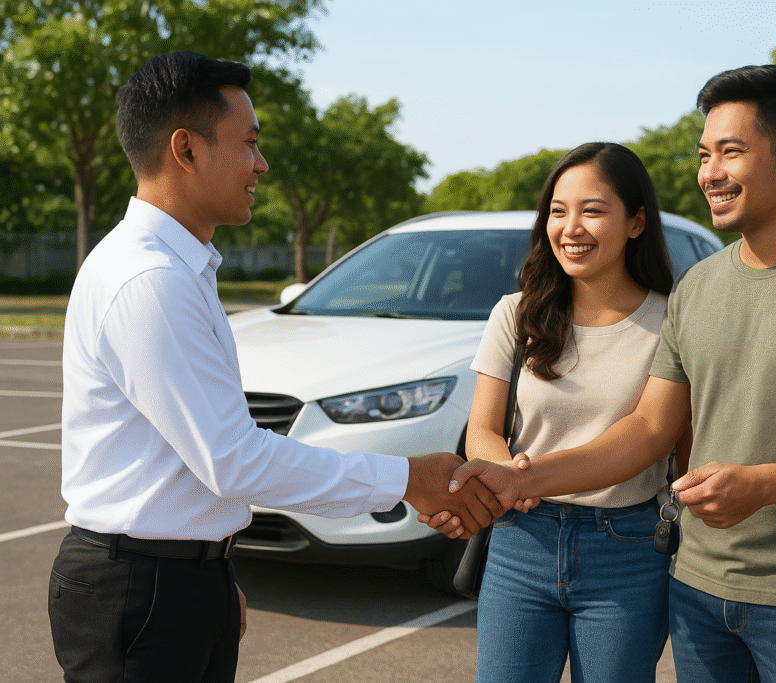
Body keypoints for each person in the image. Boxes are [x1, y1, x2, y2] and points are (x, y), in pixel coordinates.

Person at [443, 65, 776, 683]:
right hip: (697, 587)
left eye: (731, 151)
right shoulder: (698, 288)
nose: (710, 172)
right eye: (704, 154)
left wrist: (763, 484)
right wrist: (520, 478)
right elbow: (650, 429)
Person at [49, 51, 501, 683]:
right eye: (250, 144)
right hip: (143, 587)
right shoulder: (150, 279)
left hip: (175, 578)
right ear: (186, 149)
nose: (261, 164)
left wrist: (209, 570)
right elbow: (234, 460)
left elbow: (196, 460)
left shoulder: (178, 266)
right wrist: (406, 479)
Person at [432, 142, 680, 683]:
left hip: (629, 549)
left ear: (637, 222)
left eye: (593, 210)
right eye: (558, 210)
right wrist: (507, 477)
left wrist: (521, 476)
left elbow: (650, 435)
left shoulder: (673, 320)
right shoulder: (515, 312)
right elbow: (483, 429)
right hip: (521, 539)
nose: (571, 227)